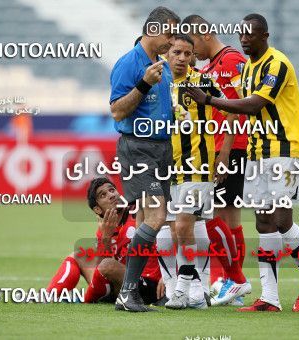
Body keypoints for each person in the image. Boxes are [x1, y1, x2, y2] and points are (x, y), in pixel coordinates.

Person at [186, 13, 299, 312]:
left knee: (282, 220)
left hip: (285, 148)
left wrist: (209, 100)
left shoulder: (277, 63)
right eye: (242, 34)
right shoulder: (248, 70)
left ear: (265, 35)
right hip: (258, 152)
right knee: (263, 222)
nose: (244, 39)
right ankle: (269, 297)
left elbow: (254, 104)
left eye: (251, 34)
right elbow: (241, 109)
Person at [158, 34, 249, 310]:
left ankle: (184, 289)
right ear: (167, 53)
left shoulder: (203, 81)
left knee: (185, 224)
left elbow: (232, 113)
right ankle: (197, 289)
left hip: (198, 165)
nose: (182, 58)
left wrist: (224, 153)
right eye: (177, 52)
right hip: (170, 167)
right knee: (179, 228)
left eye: (187, 53)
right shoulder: (159, 82)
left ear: (193, 56)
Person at [109, 6, 180, 312]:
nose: (172, 40)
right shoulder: (130, 64)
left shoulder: (159, 66)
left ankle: (132, 292)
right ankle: (127, 292)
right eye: (169, 33)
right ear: (153, 30)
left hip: (161, 149)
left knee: (143, 220)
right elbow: (117, 110)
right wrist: (143, 84)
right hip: (139, 148)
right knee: (156, 217)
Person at [182, 14, 250, 306]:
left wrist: (225, 152)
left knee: (222, 219)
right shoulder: (210, 66)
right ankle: (230, 283)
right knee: (223, 219)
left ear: (205, 35)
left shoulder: (231, 61)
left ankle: (235, 281)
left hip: (231, 148)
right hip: (219, 148)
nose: (190, 50)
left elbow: (241, 106)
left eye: (192, 43)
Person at [46, 177, 164, 305]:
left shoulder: (139, 211)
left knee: (108, 266)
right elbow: (100, 270)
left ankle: (86, 300)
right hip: (122, 282)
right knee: (78, 256)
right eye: (103, 195)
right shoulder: (104, 228)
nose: (111, 195)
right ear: (97, 209)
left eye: (112, 190)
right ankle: (49, 296)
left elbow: (168, 238)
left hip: (149, 283)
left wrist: (168, 276)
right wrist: (106, 237)